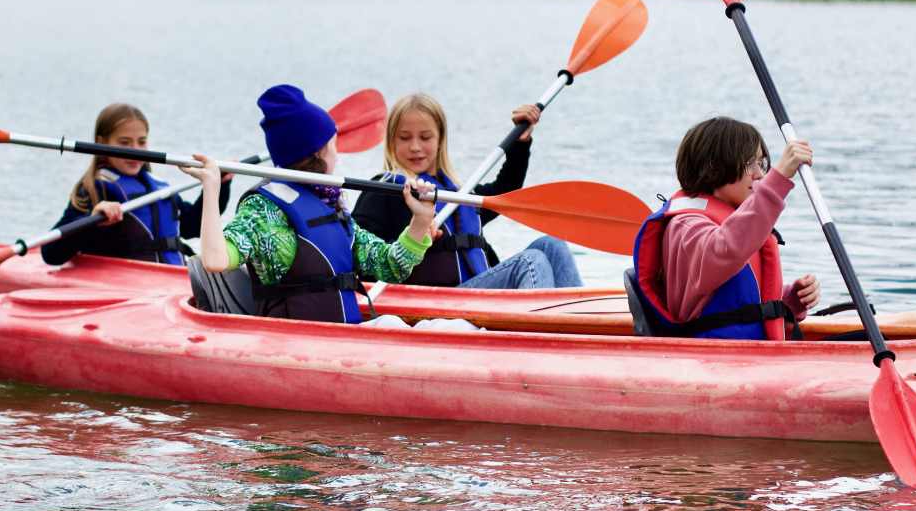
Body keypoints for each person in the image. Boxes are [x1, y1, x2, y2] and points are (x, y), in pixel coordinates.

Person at [183, 84, 437, 323]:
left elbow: (391, 265)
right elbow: (215, 260)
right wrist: (212, 188)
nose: (338, 156)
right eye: (333, 146)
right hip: (294, 342)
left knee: (418, 327)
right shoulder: (263, 212)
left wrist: (420, 220)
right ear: (319, 153)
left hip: (342, 336)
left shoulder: (330, 206)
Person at [351, 93, 583, 290]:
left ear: (440, 140)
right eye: (404, 138)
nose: (415, 146)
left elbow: (505, 189)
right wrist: (414, 236)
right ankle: (537, 335)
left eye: (425, 137)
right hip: (439, 302)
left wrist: (520, 143)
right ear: (392, 142)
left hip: (475, 293)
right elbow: (360, 255)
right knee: (530, 262)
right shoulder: (385, 190)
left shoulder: (457, 194)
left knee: (552, 245)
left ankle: (586, 327)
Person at [629, 116, 821, 340]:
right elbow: (725, 249)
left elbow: (739, 302)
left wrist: (788, 301)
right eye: (750, 163)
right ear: (714, 167)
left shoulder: (735, 224)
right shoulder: (687, 227)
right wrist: (777, 181)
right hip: (716, 362)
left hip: (752, 358)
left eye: (762, 164)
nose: (760, 174)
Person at [41, 102, 228, 266]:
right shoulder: (95, 189)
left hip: (172, 279)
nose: (135, 151)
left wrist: (217, 186)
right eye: (125, 143)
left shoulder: (159, 187)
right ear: (101, 143)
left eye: (141, 142)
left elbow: (192, 227)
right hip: (127, 287)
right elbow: (51, 253)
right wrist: (92, 219)